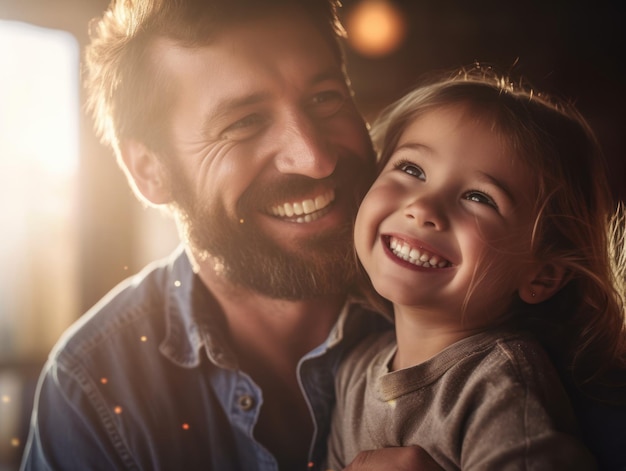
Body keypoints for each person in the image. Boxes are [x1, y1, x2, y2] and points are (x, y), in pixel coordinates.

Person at [19, 0, 400, 470]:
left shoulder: (467, 299)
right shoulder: (94, 382)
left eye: (325, 97)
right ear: (150, 172)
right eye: (243, 123)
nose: (314, 157)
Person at [325, 68, 626, 470]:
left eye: (479, 197)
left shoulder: (502, 384)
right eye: (412, 169)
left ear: (542, 276)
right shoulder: (355, 369)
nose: (424, 208)